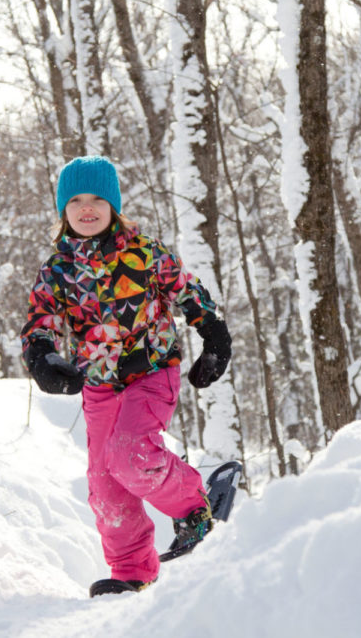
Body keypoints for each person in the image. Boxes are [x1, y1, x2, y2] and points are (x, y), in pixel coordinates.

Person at [20, 155, 232, 596]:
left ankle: (195, 507)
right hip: (98, 385)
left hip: (151, 372)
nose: (87, 207)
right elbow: (38, 321)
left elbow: (187, 291)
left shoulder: (143, 252)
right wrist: (42, 359)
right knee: (103, 483)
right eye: (76, 199)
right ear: (63, 208)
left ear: (113, 204)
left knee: (131, 454)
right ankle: (133, 570)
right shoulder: (57, 268)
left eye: (98, 198)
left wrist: (213, 337)